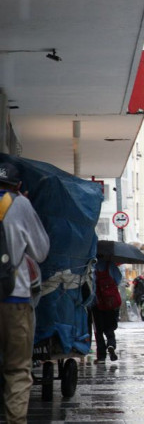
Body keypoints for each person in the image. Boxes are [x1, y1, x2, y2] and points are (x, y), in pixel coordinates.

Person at [0, 162, 50, 423]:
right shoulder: (19, 204)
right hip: (14, 298)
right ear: (18, 186)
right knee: (17, 369)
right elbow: (41, 251)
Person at [91, 259, 122, 363]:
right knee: (109, 328)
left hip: (96, 303)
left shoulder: (91, 265)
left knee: (98, 331)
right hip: (110, 303)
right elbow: (118, 280)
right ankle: (111, 344)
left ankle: (101, 357)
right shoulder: (110, 265)